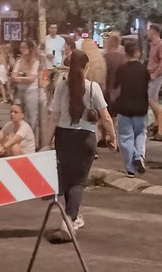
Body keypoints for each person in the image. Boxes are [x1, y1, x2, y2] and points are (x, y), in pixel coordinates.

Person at [46, 49, 116, 242]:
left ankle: (72, 218)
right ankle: (68, 224)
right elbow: (106, 117)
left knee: (68, 179)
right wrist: (113, 137)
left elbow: (54, 117)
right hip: (85, 139)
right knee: (78, 182)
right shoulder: (93, 88)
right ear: (86, 67)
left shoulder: (61, 86)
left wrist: (45, 142)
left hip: (63, 137)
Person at [114, 40, 150, 177]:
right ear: (138, 53)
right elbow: (147, 86)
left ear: (125, 53)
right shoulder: (143, 69)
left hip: (124, 107)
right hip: (141, 107)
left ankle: (130, 168)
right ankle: (139, 156)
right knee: (140, 134)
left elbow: (116, 87)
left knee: (125, 137)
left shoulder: (122, 69)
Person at [11, 40, 40, 134]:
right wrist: (23, 77)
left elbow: (31, 79)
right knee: (16, 113)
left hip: (31, 90)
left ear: (30, 49)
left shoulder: (36, 62)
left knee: (31, 116)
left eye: (24, 47)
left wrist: (19, 77)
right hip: (19, 90)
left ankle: (30, 136)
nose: (21, 50)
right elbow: (13, 76)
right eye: (21, 48)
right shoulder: (19, 62)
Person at [147, 23, 162, 140]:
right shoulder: (153, 45)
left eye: (149, 30)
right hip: (150, 75)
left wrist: (154, 75)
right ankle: (157, 124)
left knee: (151, 100)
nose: (147, 33)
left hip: (156, 76)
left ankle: (161, 126)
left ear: (153, 31)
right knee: (152, 100)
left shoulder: (161, 45)